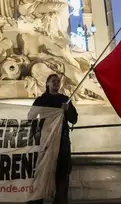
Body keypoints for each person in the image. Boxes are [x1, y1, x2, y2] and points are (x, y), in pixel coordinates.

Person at [28, 74, 78, 204]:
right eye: (53, 81)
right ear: (47, 84)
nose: (56, 83)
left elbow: (74, 119)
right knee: (42, 173)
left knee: (62, 174)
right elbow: (31, 116)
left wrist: (67, 111)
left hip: (62, 141)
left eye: (58, 81)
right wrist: (36, 134)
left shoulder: (65, 100)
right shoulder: (41, 100)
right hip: (46, 141)